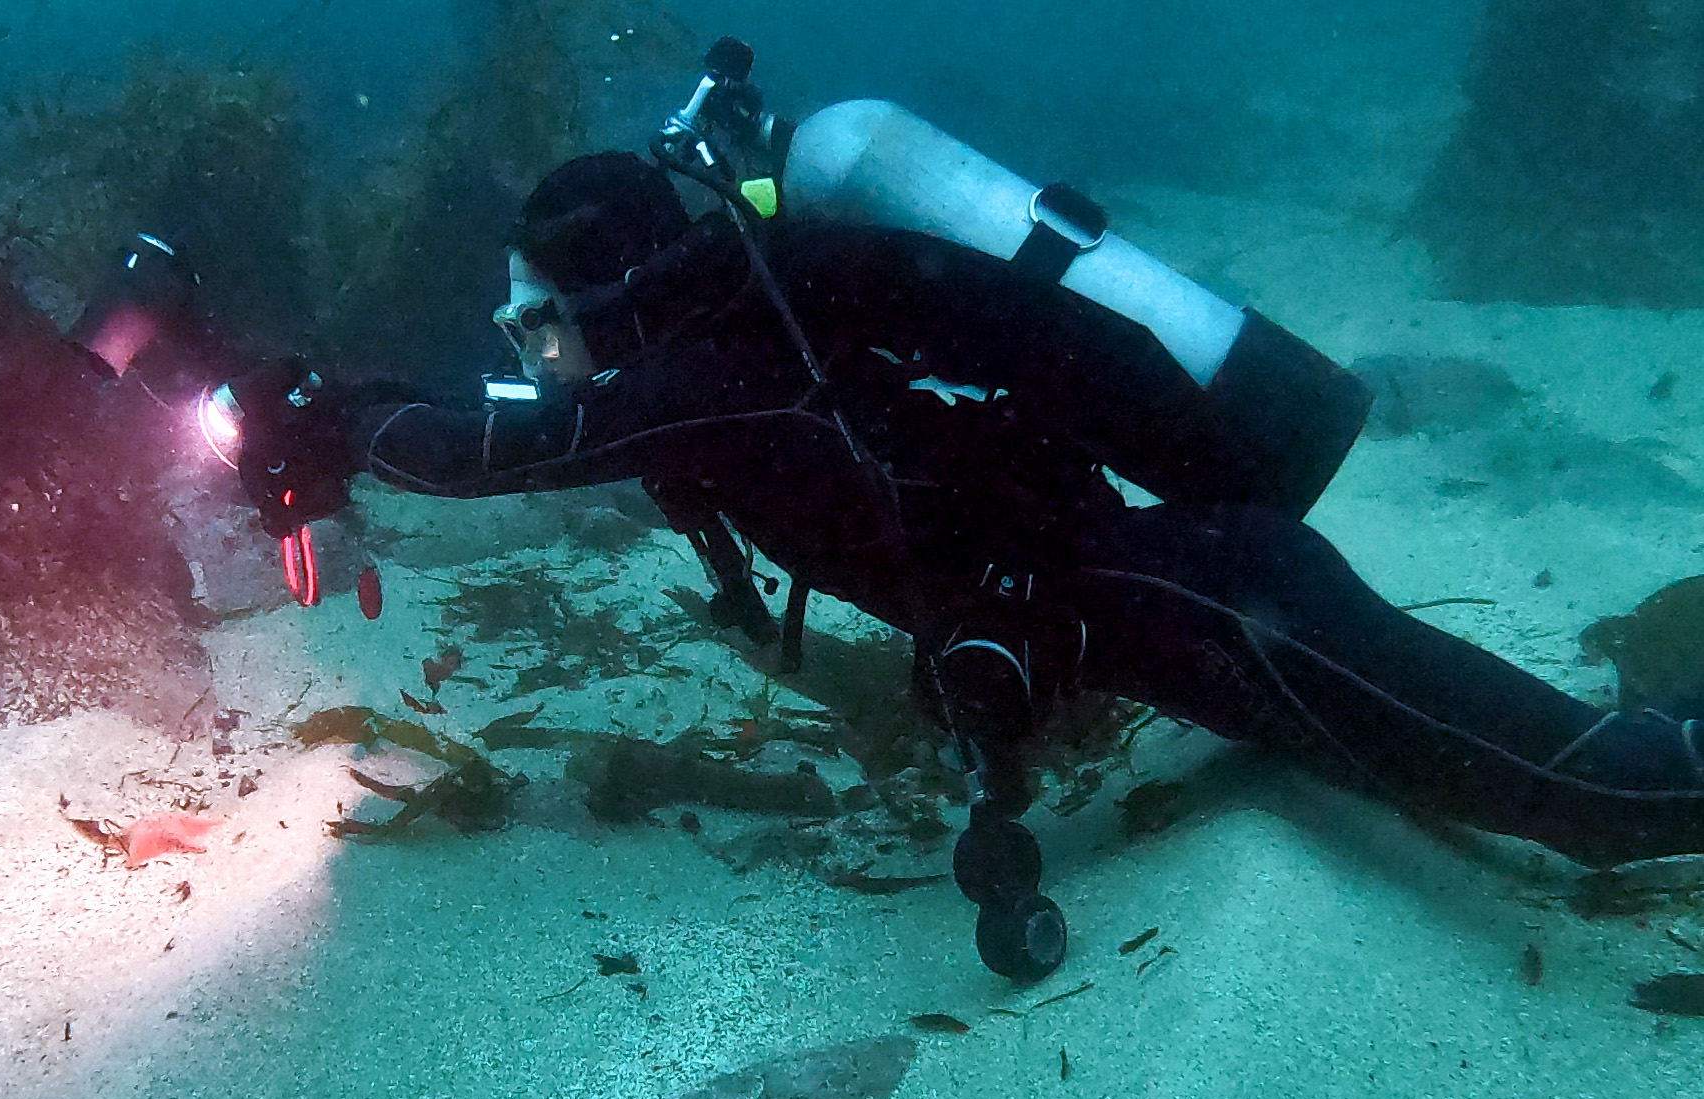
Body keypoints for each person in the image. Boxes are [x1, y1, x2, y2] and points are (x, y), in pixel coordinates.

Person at [140, 49, 1704, 983]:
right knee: (1539, 769)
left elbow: (500, 452)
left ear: (612, 285)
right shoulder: (736, 357)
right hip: (1157, 589)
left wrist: (335, 421)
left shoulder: (712, 375)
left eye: (536, 305)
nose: (517, 330)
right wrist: (332, 411)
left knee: (1606, 800)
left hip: (1188, 592)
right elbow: (529, 424)